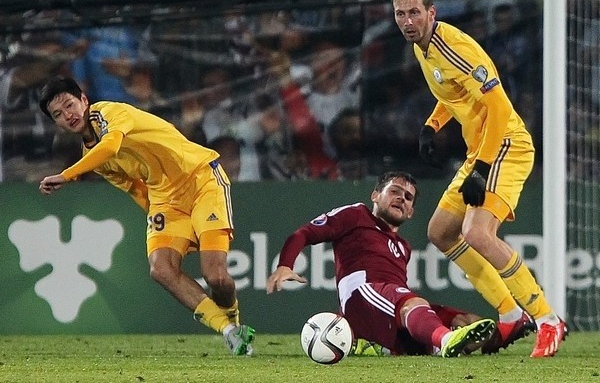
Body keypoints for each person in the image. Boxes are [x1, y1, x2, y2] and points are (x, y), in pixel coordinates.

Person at [391, 0, 566, 358]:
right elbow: (454, 94)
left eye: (414, 13)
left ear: (431, 13)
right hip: (482, 150)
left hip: (506, 145)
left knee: (477, 233)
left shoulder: (455, 48)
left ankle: (548, 318)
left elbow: (499, 106)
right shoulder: (422, 47)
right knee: (441, 232)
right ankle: (511, 314)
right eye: (401, 14)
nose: (407, 21)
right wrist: (432, 126)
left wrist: (482, 168)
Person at [37, 76, 255, 356]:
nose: (68, 115)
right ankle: (228, 331)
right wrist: (159, 223)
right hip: (165, 199)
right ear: (56, 123)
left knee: (216, 278)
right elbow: (135, 188)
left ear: (84, 100)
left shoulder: (108, 113)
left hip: (200, 180)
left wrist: (68, 174)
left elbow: (110, 146)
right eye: (58, 114)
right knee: (161, 269)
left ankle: (234, 320)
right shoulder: (93, 157)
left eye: (69, 105)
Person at [266, 171, 496, 357]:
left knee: (472, 323)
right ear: (375, 195)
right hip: (362, 293)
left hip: (389, 303)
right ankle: (444, 341)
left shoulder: (403, 247)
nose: (401, 198)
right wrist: (285, 264)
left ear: (411, 212)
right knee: (413, 304)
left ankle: (386, 345)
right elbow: (303, 233)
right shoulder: (356, 215)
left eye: (408, 198)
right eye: (394, 191)